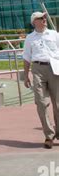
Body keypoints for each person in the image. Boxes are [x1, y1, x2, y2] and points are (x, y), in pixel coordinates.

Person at [22, 12, 59, 148]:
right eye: (40, 18)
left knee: (58, 104)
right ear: (34, 22)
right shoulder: (30, 38)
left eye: (44, 18)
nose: (44, 20)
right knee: (41, 103)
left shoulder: (54, 34)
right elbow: (26, 57)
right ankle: (48, 136)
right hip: (37, 69)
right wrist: (25, 76)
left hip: (55, 68)